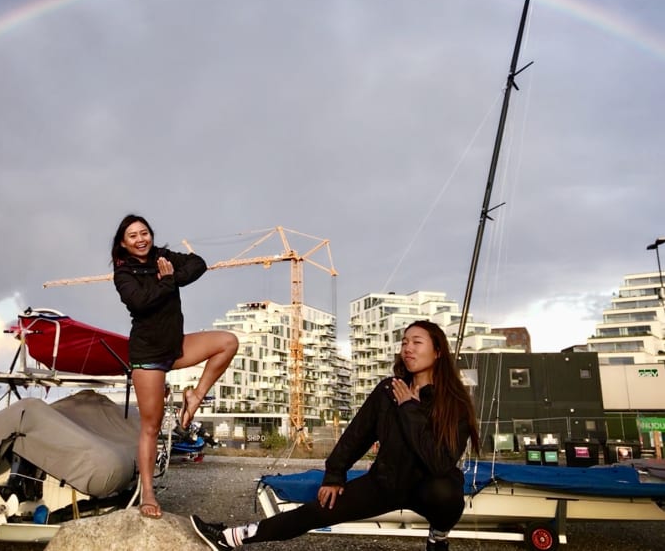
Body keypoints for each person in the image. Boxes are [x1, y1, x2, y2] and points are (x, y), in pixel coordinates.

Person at [191, 319, 480, 551]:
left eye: (417, 342)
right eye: (404, 342)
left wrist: (410, 408)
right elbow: (357, 435)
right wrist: (334, 475)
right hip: (386, 484)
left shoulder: (453, 401)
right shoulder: (388, 390)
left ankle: (438, 536)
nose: (408, 348)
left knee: (444, 491)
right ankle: (231, 537)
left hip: (429, 489)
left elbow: (440, 463)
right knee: (315, 512)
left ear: (438, 351)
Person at [112, 214, 238, 519]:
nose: (141, 239)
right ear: (123, 243)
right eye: (133, 236)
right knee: (151, 428)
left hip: (175, 345)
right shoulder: (123, 274)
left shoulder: (162, 257)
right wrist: (166, 280)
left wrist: (170, 277)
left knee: (228, 341)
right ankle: (148, 495)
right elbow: (141, 302)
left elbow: (198, 263)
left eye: (145, 233)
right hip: (148, 355)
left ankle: (195, 397)